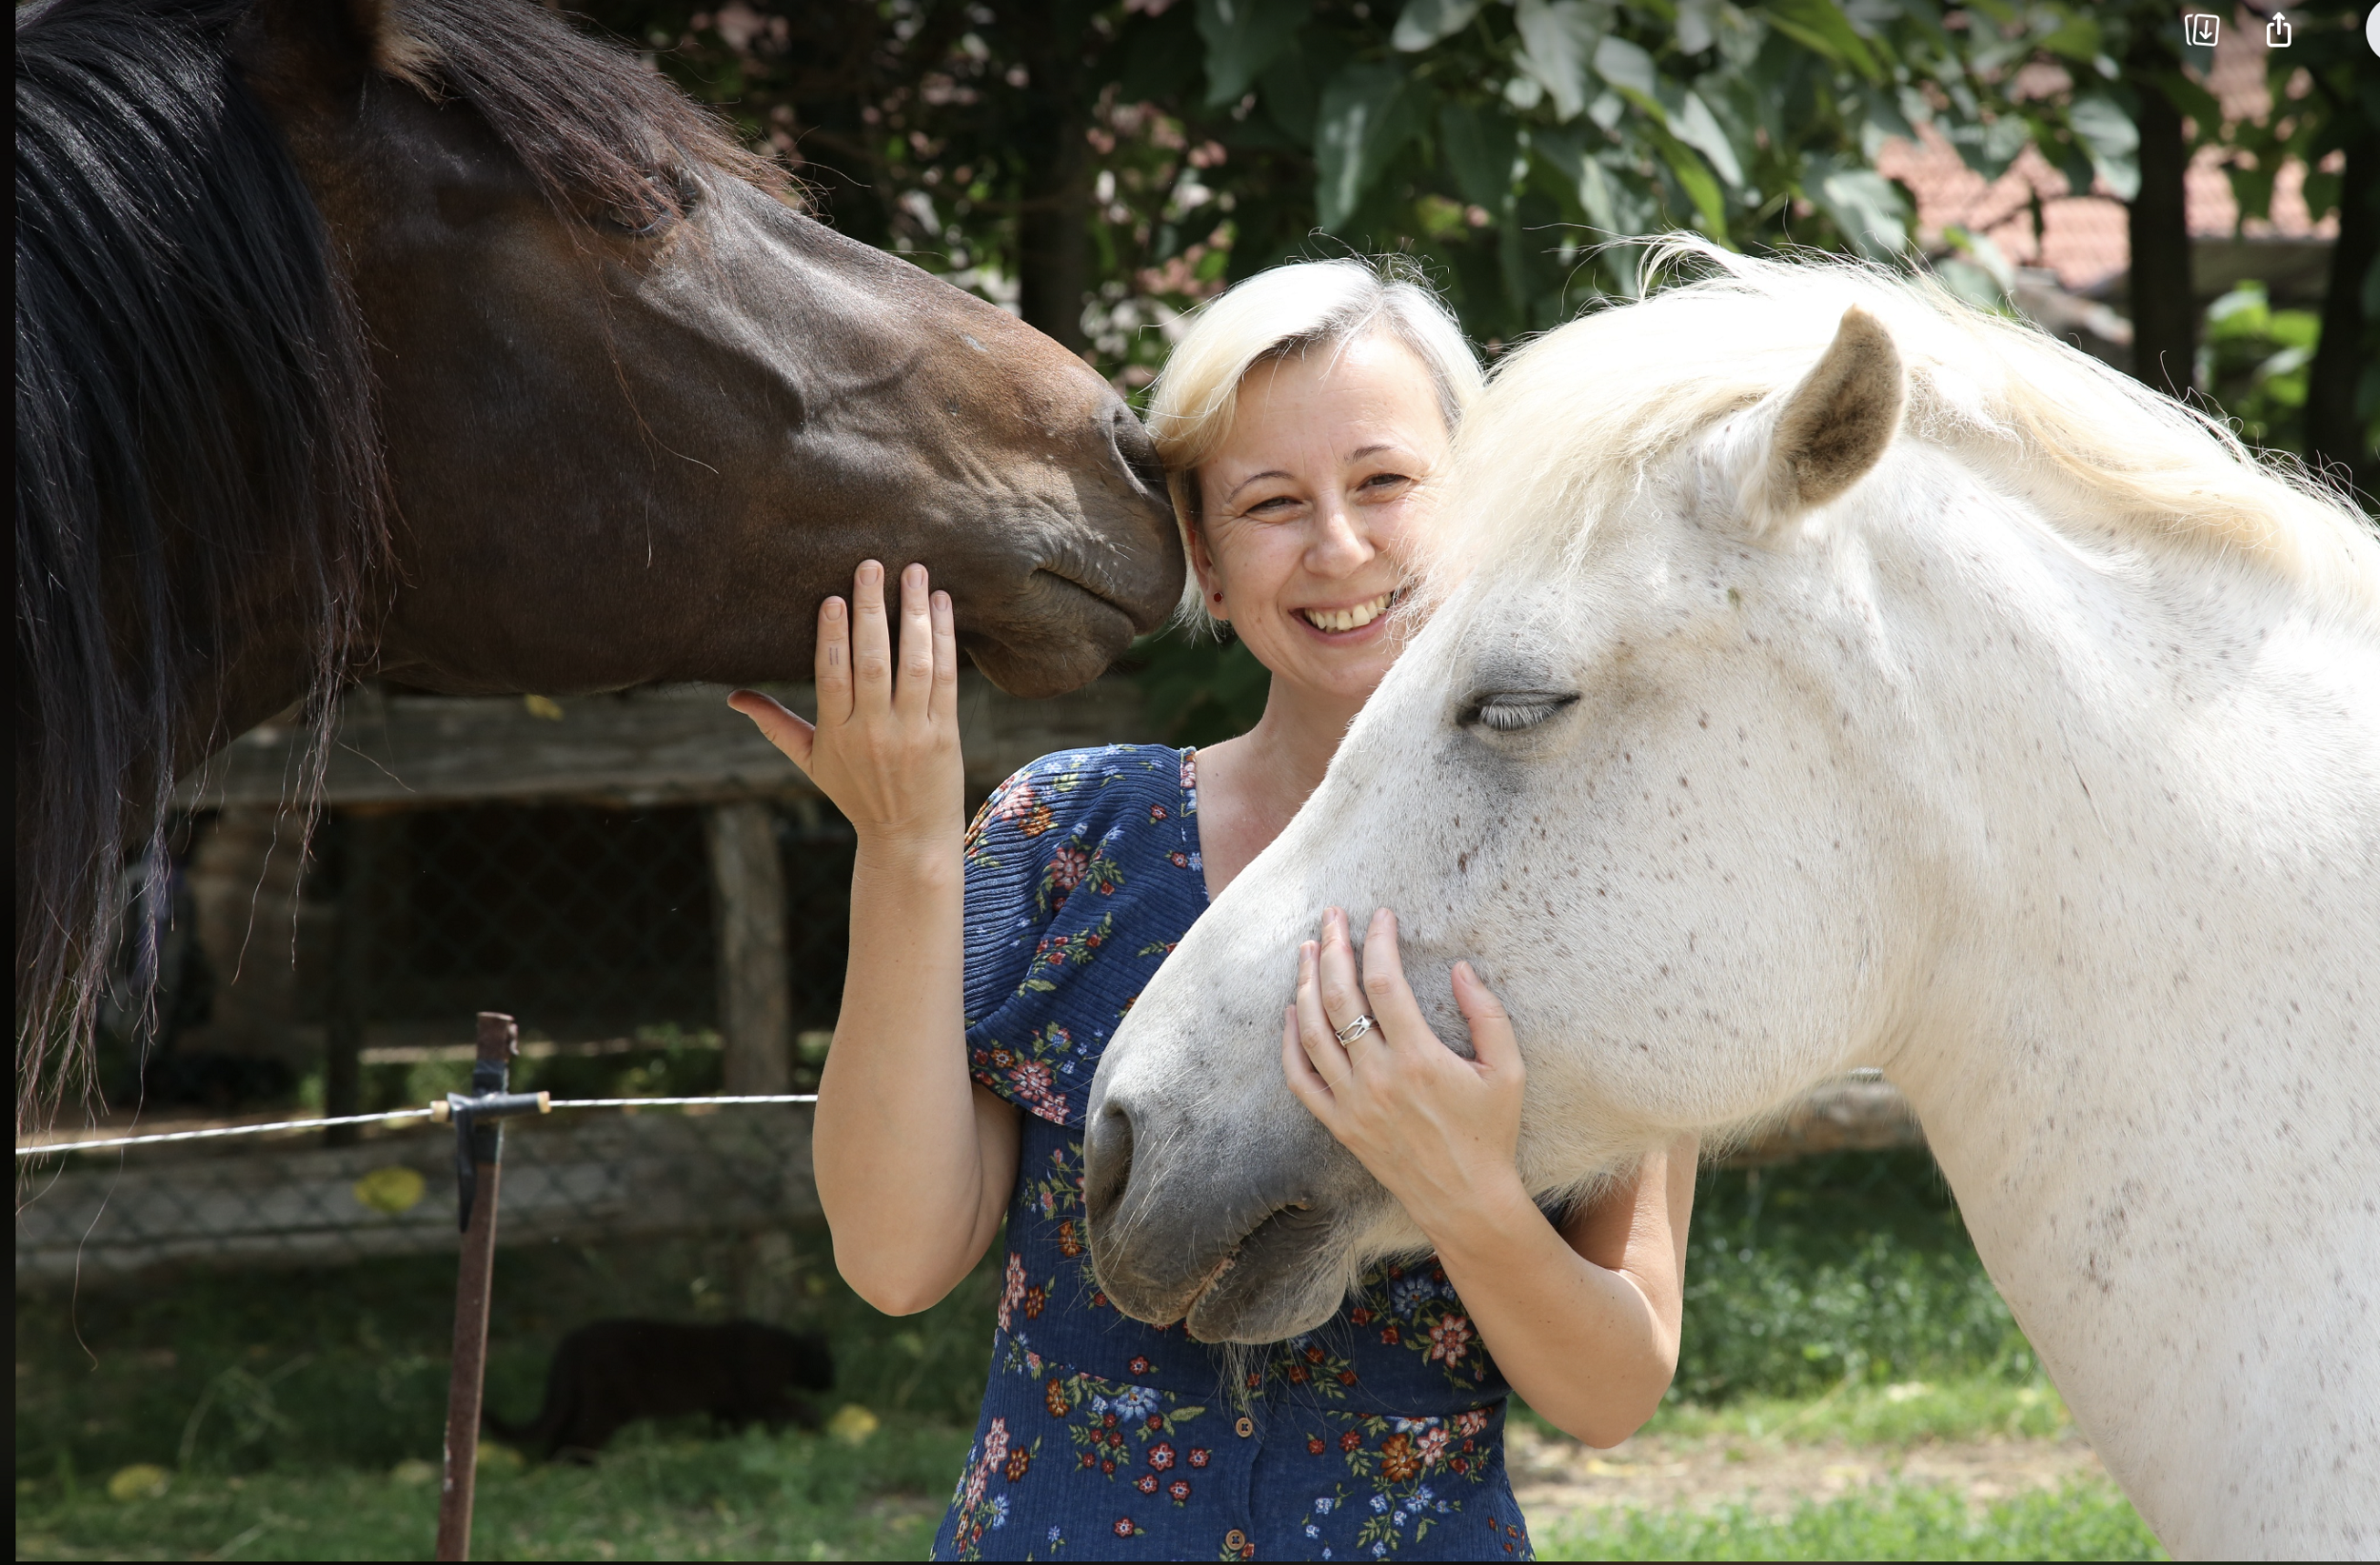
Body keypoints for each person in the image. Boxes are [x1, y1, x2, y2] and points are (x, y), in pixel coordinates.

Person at [730, 260, 1697, 1562]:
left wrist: (1462, 1184)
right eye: (1271, 503)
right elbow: (897, 1259)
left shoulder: (1601, 881)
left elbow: (1612, 1393)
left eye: (1385, 482)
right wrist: (905, 847)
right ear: (1208, 563)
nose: (1339, 547)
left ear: (1481, 507)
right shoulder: (1070, 836)